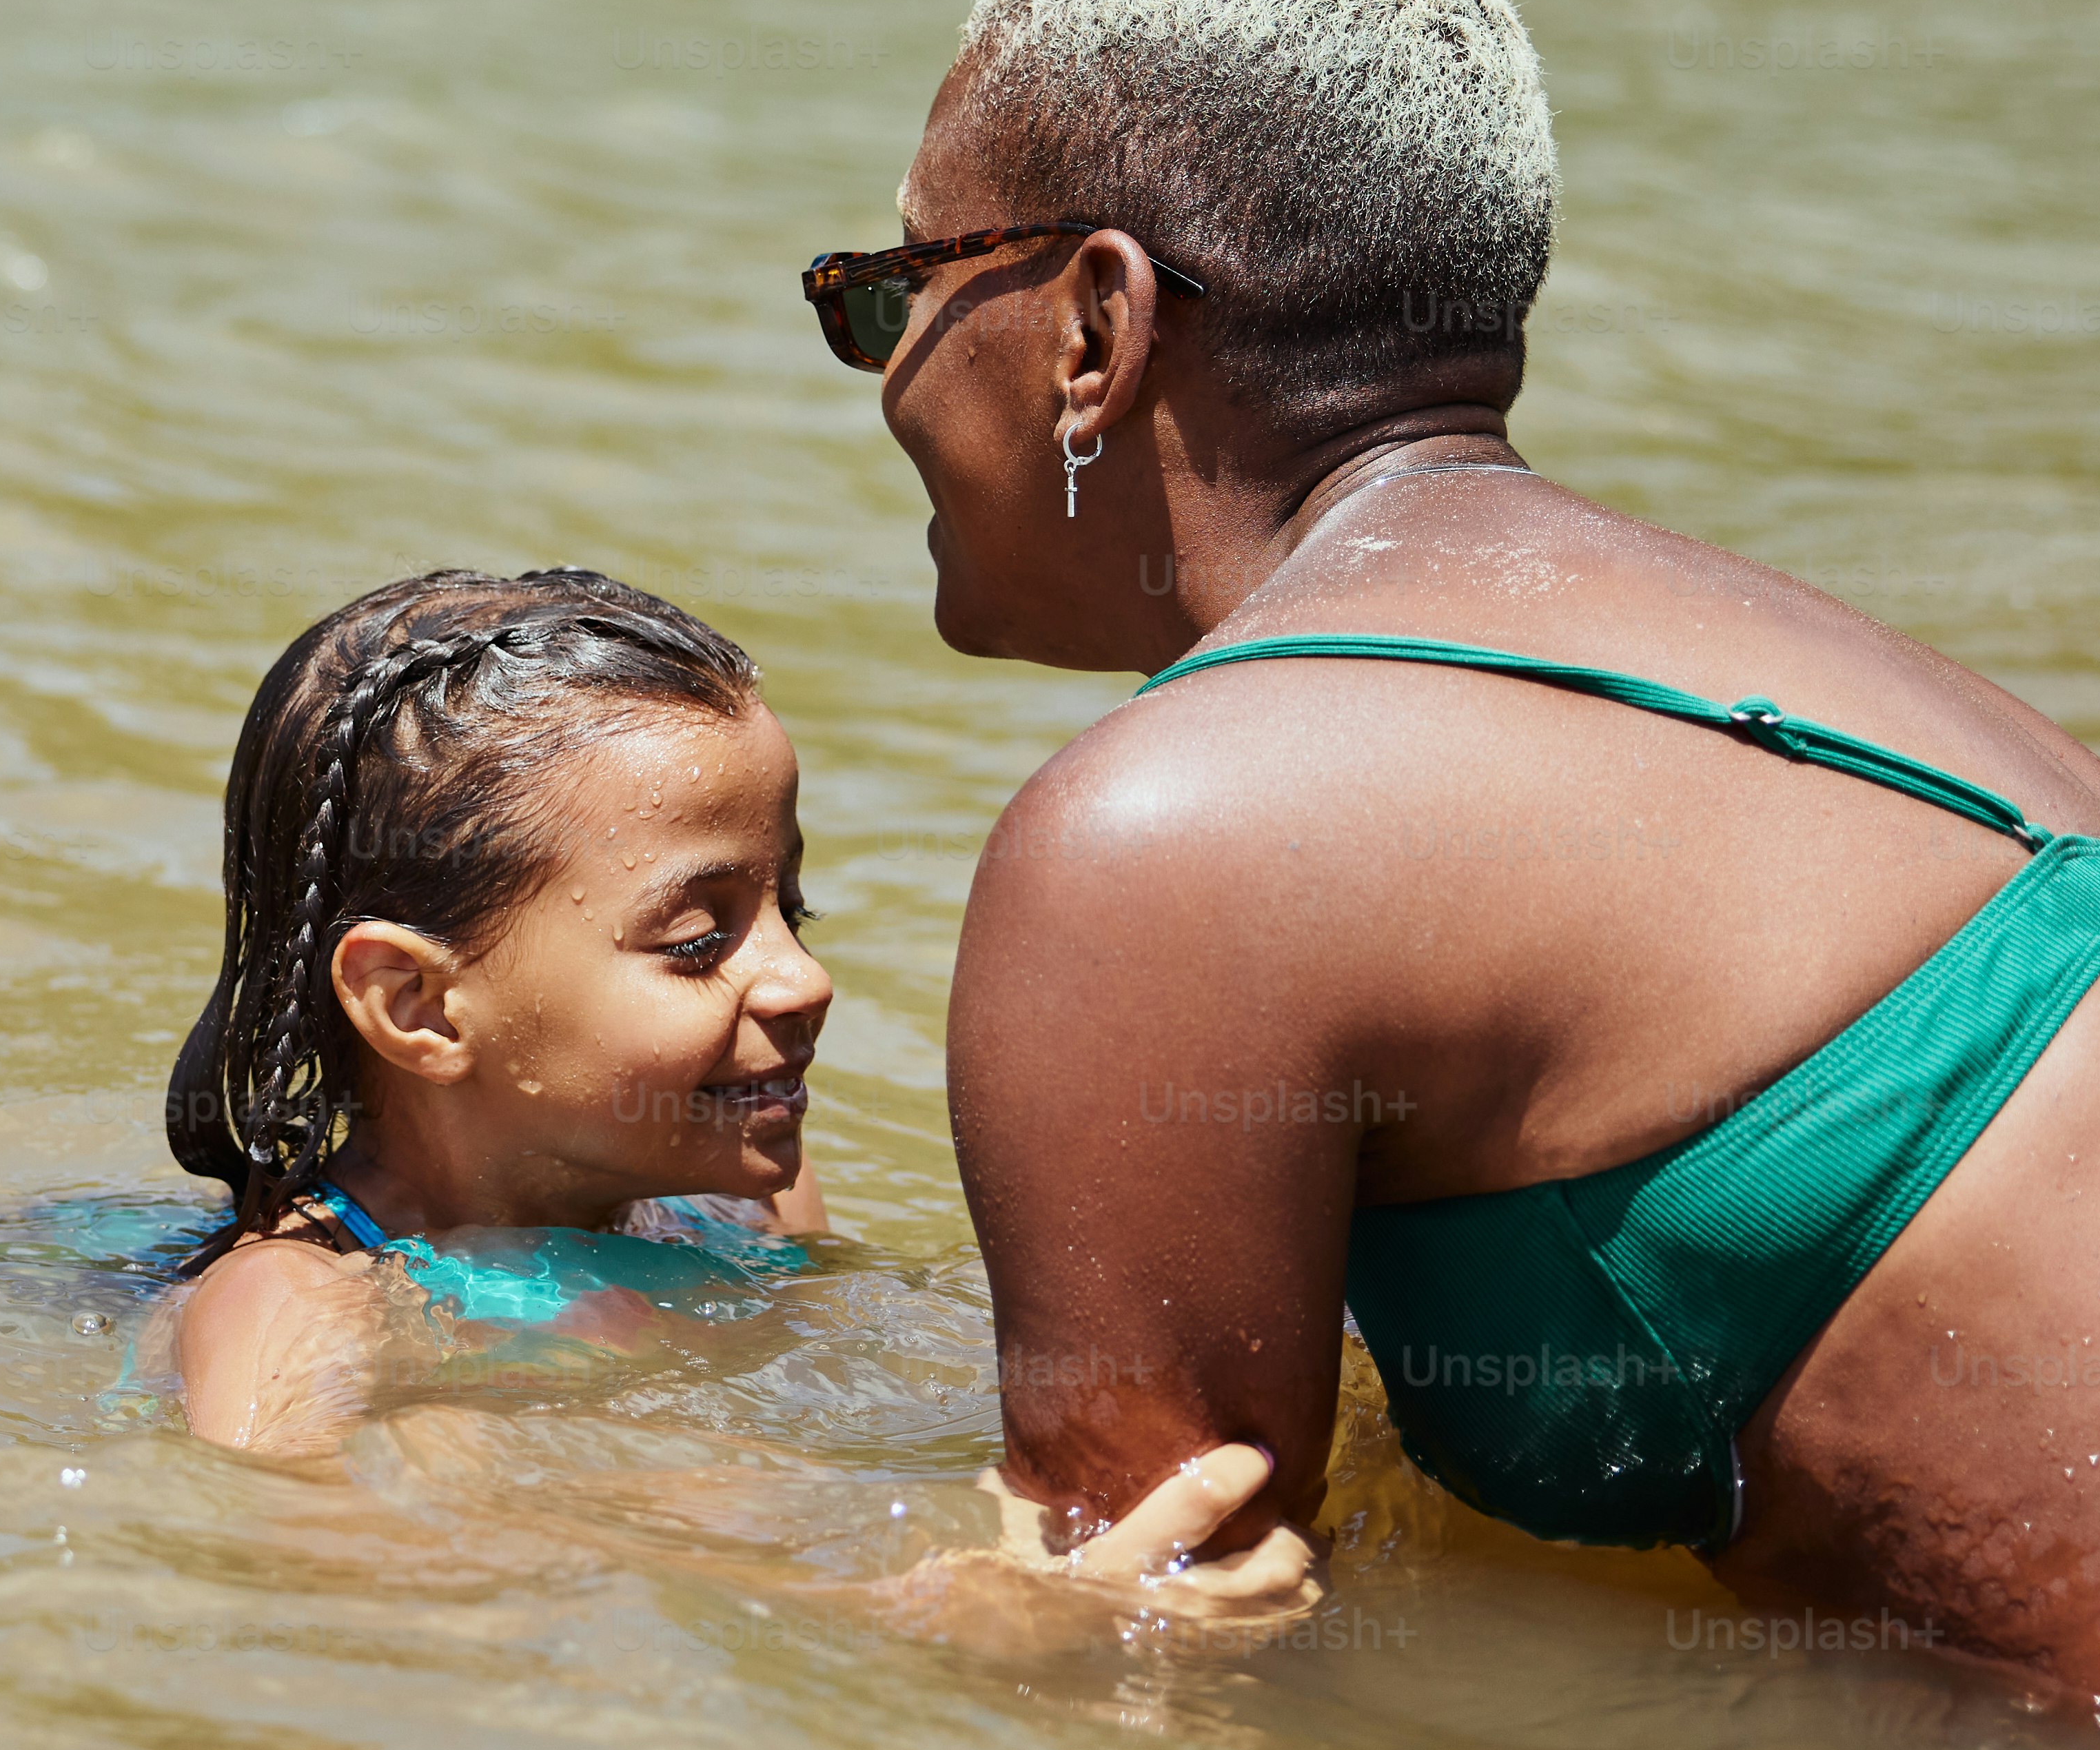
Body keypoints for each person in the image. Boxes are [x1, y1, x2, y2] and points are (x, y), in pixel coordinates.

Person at [818, 0, 2100, 1750]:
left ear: (1090, 326)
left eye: (890, 294)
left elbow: (1144, 1641)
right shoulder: (1815, 680)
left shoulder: (1172, 828)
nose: (886, 367)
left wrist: (659, 1569)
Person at [156, 567, 1312, 1619]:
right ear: (416, 1005)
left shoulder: (756, 1199)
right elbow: (294, 1547)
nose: (803, 979)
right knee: (448, 1445)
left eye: (789, 913)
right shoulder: (294, 1303)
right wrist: (903, 1612)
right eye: (699, 940)